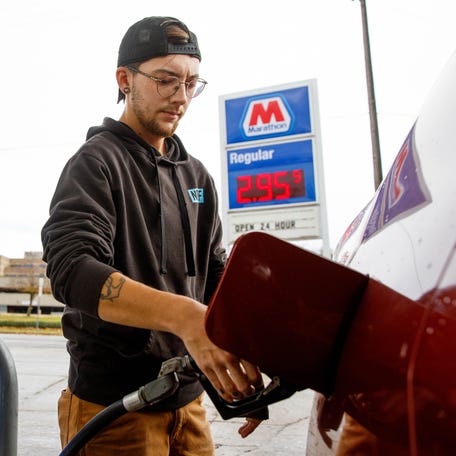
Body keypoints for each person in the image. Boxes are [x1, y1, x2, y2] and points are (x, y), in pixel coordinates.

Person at [41, 16, 264, 455]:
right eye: (165, 80)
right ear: (125, 79)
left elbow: (214, 275)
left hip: (190, 403)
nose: (180, 97)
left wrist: (245, 358)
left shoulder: (196, 175)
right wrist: (184, 316)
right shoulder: (96, 164)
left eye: (191, 83)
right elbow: (72, 270)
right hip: (113, 408)